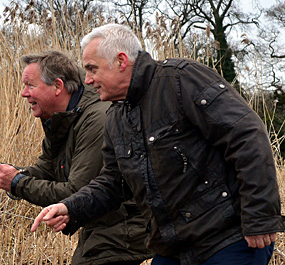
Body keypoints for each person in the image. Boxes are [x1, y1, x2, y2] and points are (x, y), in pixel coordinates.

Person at [31, 24, 284, 265]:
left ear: (120, 61)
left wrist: (260, 217)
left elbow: (247, 136)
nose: (87, 80)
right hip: (172, 249)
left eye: (93, 69)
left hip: (228, 240)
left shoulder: (181, 80)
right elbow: (113, 182)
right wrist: (70, 207)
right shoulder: (116, 118)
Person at [0, 50, 152, 265]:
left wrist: (16, 183)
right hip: (103, 223)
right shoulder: (61, 118)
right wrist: (8, 175)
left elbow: (76, 191)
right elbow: (48, 168)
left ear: (58, 86)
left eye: (30, 85)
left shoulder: (98, 119)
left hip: (126, 226)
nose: (24, 93)